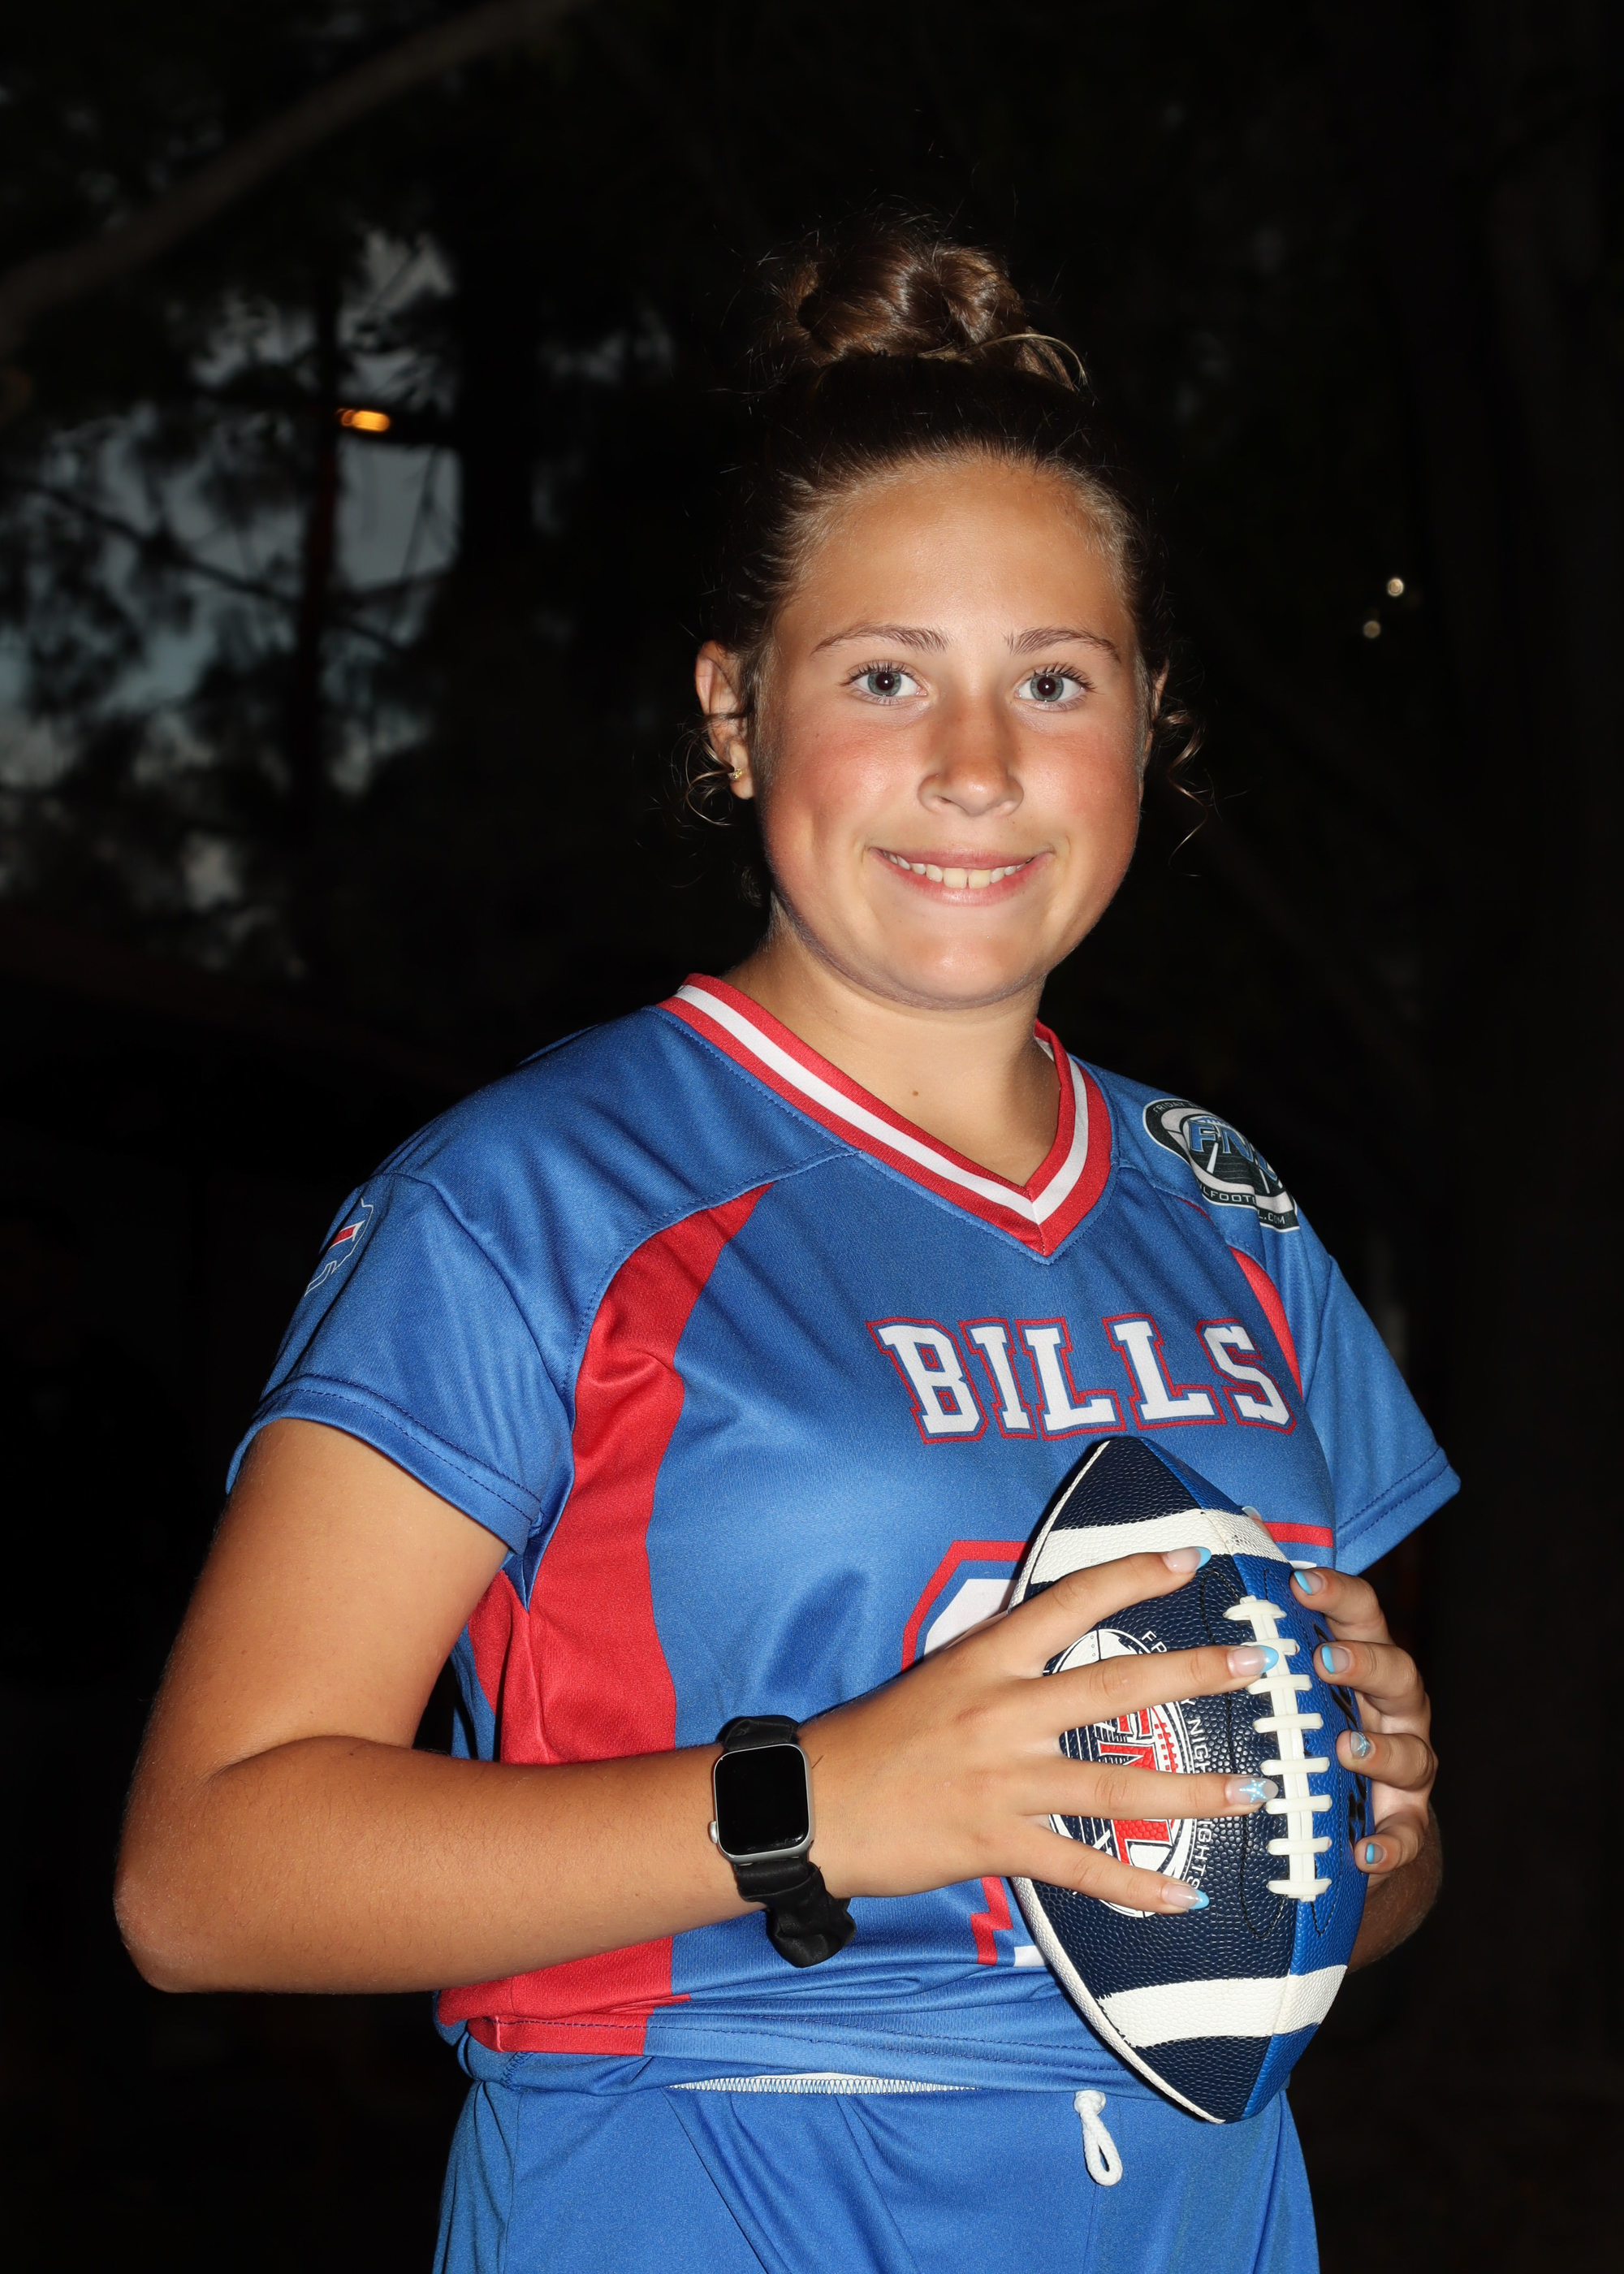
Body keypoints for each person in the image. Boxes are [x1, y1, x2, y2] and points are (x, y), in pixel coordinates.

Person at [116, 219, 1451, 2274]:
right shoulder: (536, 1193)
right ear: (734, 712)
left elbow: (1368, 1896)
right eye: (885, 675)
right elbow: (204, 1873)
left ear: (1147, 721)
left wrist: (1374, 1820)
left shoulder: (1228, 1207)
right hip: (719, 2189)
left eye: (1053, 680)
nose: (977, 766)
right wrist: (826, 1799)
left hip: (1207, 2206)